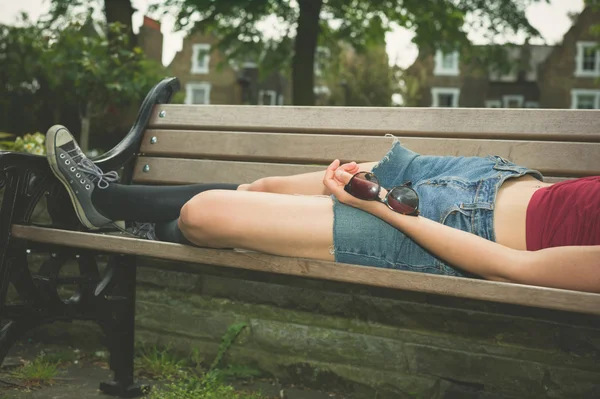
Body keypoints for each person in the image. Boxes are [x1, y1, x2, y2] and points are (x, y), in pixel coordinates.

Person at [45, 125, 600, 293]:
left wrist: (383, 205)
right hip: (488, 179)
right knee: (263, 186)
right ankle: (112, 204)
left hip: (452, 232)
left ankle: (109, 203)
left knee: (204, 216)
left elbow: (515, 270)